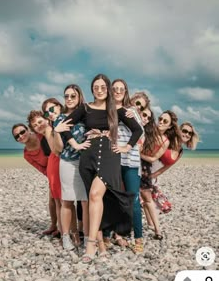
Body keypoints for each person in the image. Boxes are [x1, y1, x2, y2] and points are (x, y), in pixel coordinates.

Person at [55, 74, 143, 263]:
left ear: (108, 88)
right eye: (96, 86)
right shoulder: (85, 109)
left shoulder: (117, 109)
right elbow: (64, 125)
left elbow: (138, 130)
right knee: (94, 198)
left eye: (103, 86)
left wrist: (126, 147)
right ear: (92, 89)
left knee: (96, 194)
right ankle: (100, 243)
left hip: (110, 156)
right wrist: (75, 144)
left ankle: (91, 244)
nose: (100, 89)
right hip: (89, 156)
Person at [53, 84, 90, 250]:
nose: (69, 99)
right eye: (66, 96)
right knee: (67, 201)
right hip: (67, 162)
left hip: (85, 163)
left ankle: (88, 236)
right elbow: (59, 149)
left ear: (79, 97)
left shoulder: (86, 115)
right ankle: (66, 235)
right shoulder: (60, 119)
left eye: (72, 96)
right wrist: (56, 131)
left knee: (86, 201)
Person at [110, 78, 144, 253]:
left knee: (134, 200)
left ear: (125, 91)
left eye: (121, 89)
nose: (117, 91)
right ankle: (115, 234)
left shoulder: (130, 110)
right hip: (113, 160)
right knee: (113, 199)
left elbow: (141, 132)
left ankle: (138, 238)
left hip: (130, 161)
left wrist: (126, 147)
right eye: (114, 89)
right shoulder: (106, 110)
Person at [141, 110, 182, 239]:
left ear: (170, 126)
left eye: (165, 121)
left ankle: (158, 231)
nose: (161, 122)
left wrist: (137, 154)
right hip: (132, 162)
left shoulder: (165, 141)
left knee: (147, 199)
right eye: (160, 119)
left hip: (145, 166)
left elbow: (153, 159)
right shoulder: (148, 130)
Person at [11, 123, 58, 236]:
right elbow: (42, 169)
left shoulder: (42, 136)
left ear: (28, 130)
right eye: (17, 136)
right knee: (52, 198)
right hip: (52, 173)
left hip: (63, 163)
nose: (21, 136)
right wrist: (53, 177)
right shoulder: (27, 154)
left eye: (22, 132)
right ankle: (54, 225)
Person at [27, 110, 64, 238]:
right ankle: (58, 227)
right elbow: (41, 166)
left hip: (64, 167)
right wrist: (50, 176)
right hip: (53, 171)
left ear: (47, 119)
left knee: (63, 201)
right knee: (56, 200)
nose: (39, 125)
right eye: (35, 125)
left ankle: (67, 229)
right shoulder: (41, 139)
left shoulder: (54, 130)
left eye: (40, 122)